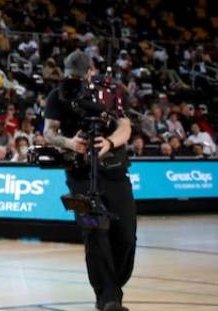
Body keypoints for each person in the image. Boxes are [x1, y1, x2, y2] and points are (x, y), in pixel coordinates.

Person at [43, 51, 135, 311]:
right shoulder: (57, 95)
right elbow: (49, 132)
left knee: (126, 236)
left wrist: (108, 142)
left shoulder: (112, 91)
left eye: (79, 75)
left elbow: (125, 127)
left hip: (115, 170)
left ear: (91, 72)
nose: (75, 80)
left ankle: (112, 287)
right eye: (70, 75)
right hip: (79, 174)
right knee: (94, 231)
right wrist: (70, 142)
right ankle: (108, 298)